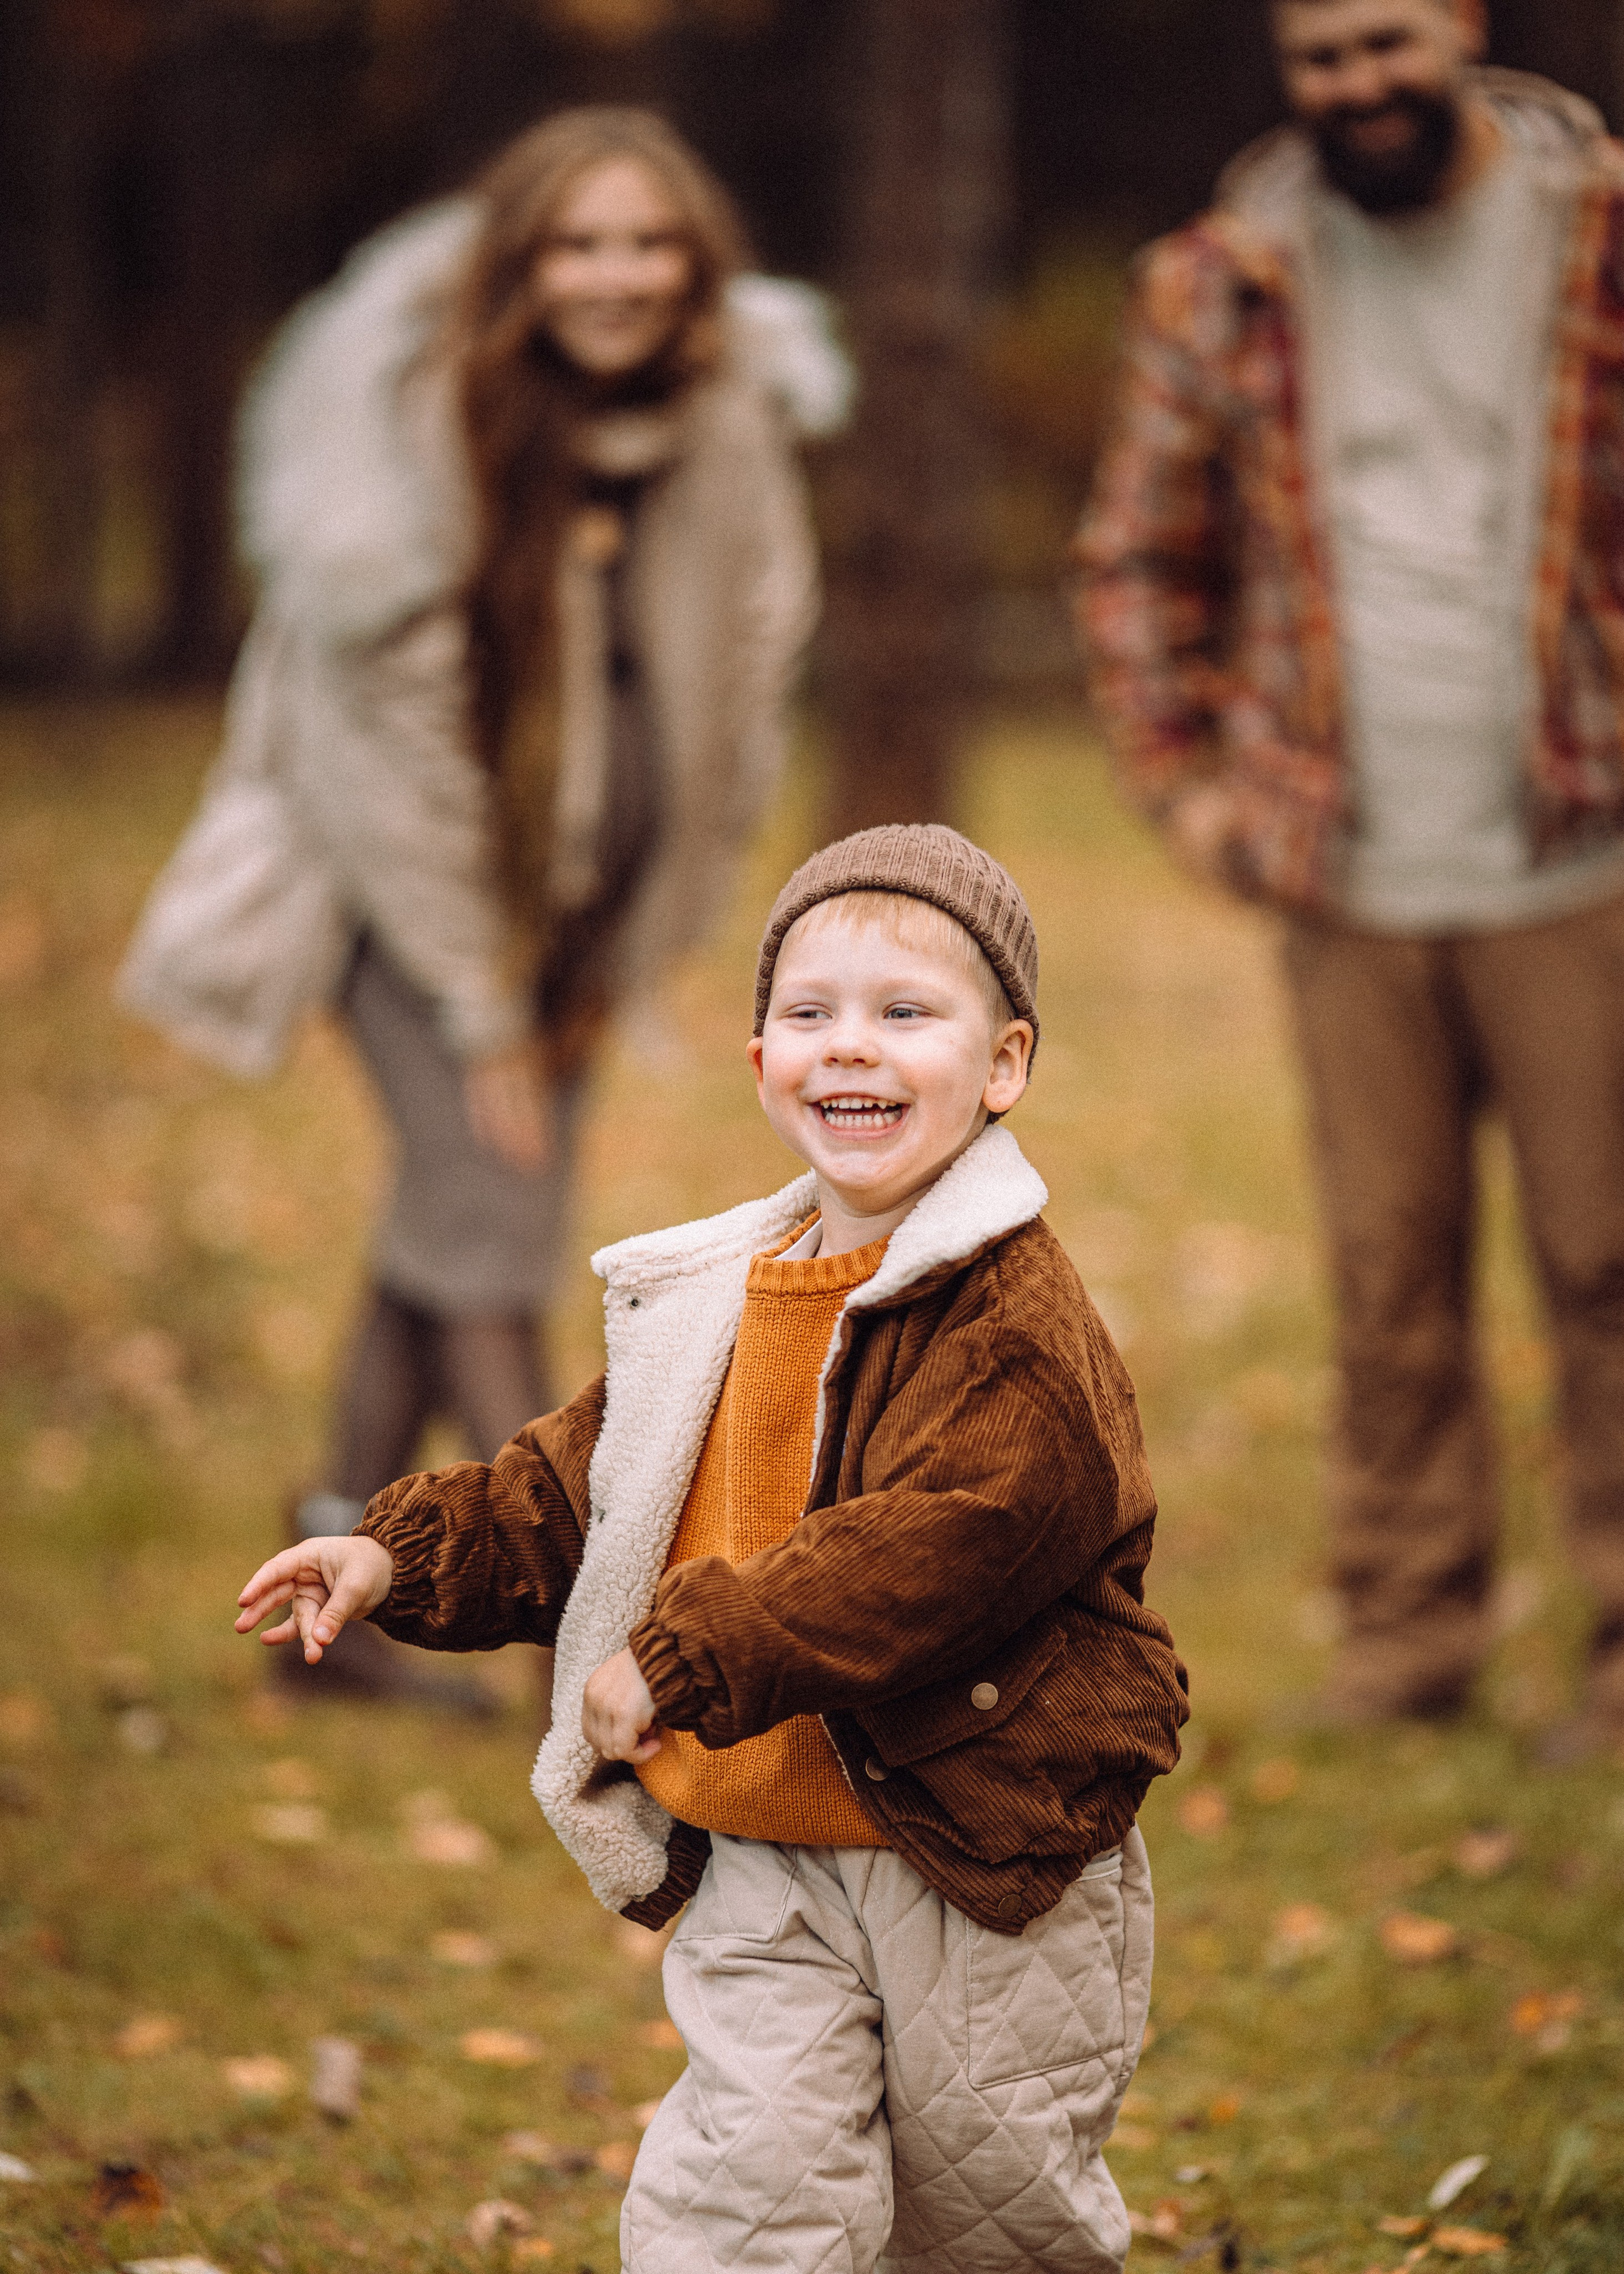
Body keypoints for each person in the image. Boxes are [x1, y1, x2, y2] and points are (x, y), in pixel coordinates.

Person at [234, 823, 1189, 2273]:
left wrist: (688, 1652)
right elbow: (581, 1484)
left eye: (903, 1013)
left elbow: (932, 1548)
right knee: (742, 2194)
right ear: (760, 1064)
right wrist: (398, 1557)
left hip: (984, 1848)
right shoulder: (719, 1297)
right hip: (765, 1851)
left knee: (988, 2215)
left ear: (1001, 1067)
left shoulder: (1017, 1329)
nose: (849, 1048)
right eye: (809, 1015)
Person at [120, 109, 834, 1695]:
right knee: (498, 1247)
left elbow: (742, 692)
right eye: (578, 242)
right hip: (399, 904)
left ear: (697, 263)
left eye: (649, 241)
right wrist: (480, 995)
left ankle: (325, 1608)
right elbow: (395, 757)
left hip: (576, 918)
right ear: (518, 264)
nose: (617, 275)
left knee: (445, 1230)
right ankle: (580, 1638)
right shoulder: (422, 424)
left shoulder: (721, 423)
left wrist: (629, 943)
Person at [1075, 0, 1624, 1753]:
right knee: (1390, 1276)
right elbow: (1137, 561)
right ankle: (1407, 1641)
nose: (1358, 86)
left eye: (1388, 42)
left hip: (1583, 848)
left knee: (1609, 1263)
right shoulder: (1224, 280)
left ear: (1461, 29)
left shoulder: (1602, 235)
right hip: (1348, 872)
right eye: (1320, 58)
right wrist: (1190, 793)